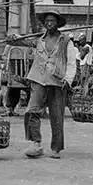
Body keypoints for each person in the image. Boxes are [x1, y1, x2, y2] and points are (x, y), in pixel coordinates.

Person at [18, 11, 69, 159]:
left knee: (56, 115)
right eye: (47, 21)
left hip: (57, 81)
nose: (49, 23)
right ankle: (36, 143)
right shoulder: (39, 40)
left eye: (52, 21)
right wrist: (14, 38)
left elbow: (72, 61)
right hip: (39, 78)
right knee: (32, 110)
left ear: (57, 23)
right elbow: (22, 42)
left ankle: (56, 148)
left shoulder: (65, 41)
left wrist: (69, 79)